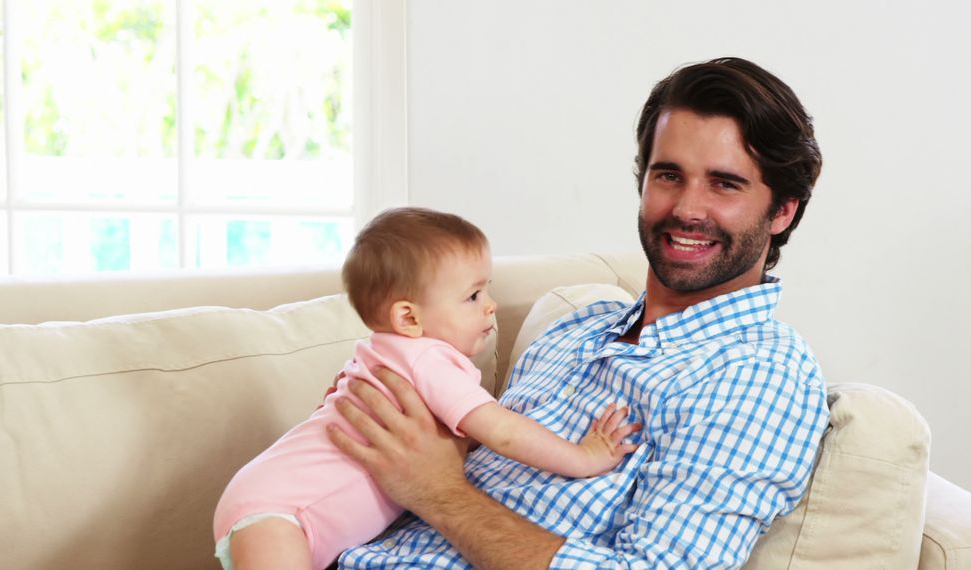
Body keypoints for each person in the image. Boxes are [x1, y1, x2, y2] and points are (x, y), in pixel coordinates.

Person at [327, 57, 831, 569]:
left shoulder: (760, 372)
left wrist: (440, 493)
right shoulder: (573, 327)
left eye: (724, 183)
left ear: (783, 209)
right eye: (669, 175)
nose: (687, 208)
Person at [212, 207, 641, 570]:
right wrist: (583, 457)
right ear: (409, 319)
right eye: (472, 296)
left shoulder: (393, 356)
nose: (490, 304)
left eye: (486, 288)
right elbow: (502, 431)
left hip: (272, 506)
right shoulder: (425, 359)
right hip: (278, 511)